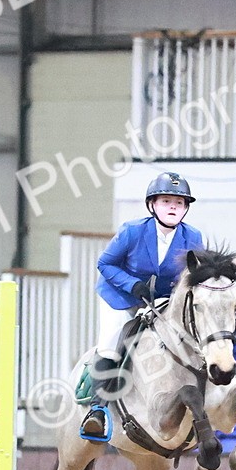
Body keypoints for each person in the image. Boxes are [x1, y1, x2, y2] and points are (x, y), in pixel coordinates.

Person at [80, 172, 205, 440]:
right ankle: (98, 411)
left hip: (162, 300)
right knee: (112, 342)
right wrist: (131, 285)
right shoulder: (132, 231)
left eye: (179, 203)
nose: (173, 207)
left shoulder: (193, 236)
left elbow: (194, 276)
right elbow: (105, 263)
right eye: (166, 201)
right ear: (153, 205)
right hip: (121, 297)